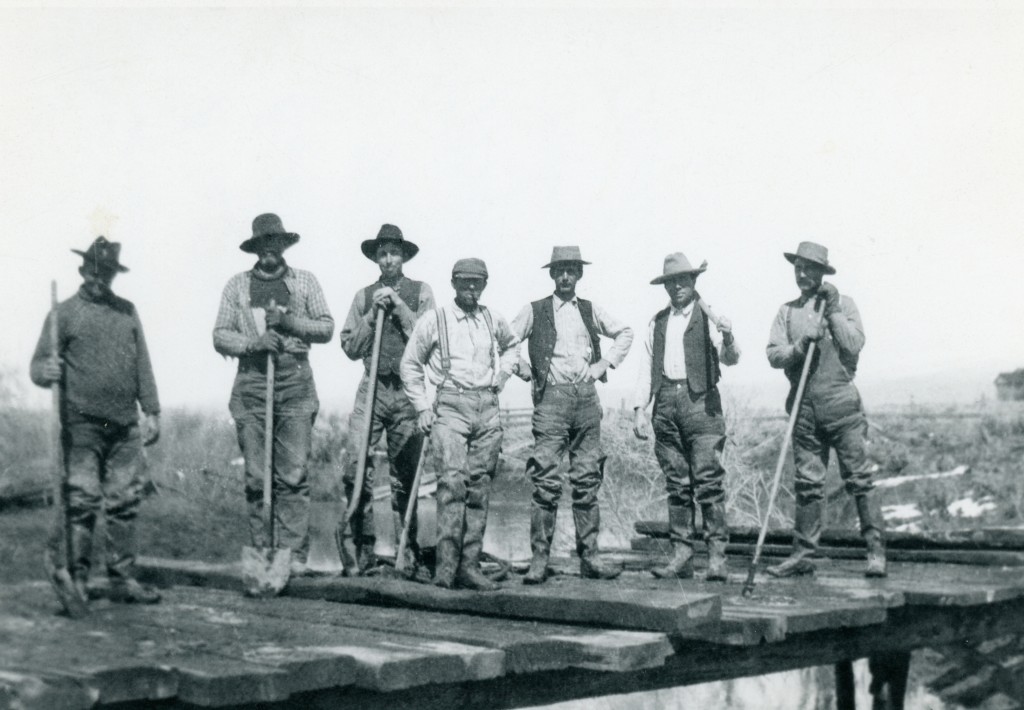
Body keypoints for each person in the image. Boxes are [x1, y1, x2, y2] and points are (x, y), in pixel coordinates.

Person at [30, 236, 162, 605]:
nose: (99, 278)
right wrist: (45, 370)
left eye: (106, 273)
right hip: (81, 427)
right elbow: (37, 366)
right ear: (83, 270)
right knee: (83, 500)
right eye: (94, 271)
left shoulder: (127, 312)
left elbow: (142, 363)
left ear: (113, 275)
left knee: (125, 501)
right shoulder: (63, 314)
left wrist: (151, 409)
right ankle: (78, 579)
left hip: (124, 426)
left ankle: (121, 578)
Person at [213, 213, 335, 576]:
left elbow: (326, 327)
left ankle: (293, 556)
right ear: (255, 248)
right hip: (252, 384)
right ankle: (263, 552)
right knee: (256, 477)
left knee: (293, 475)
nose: (269, 250)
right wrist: (254, 343)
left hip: (295, 382)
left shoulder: (305, 282)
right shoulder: (236, 286)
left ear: (283, 245)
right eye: (262, 244)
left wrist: (288, 323)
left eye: (275, 243)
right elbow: (220, 334)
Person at [509, 246, 633, 584]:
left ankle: (590, 557)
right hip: (551, 401)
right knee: (546, 481)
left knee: (587, 478)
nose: (565, 277)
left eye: (571, 271)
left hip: (586, 401)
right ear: (552, 274)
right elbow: (505, 340)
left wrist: (603, 364)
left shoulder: (590, 310)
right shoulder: (535, 310)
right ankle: (539, 559)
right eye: (560, 271)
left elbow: (625, 332)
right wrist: (524, 370)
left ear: (579, 275)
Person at [765, 241, 885, 578]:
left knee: (860, 479)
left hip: (843, 410)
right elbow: (773, 354)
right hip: (804, 411)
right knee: (807, 484)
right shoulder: (787, 312)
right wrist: (801, 344)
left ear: (822, 272)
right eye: (798, 268)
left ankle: (876, 552)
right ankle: (803, 555)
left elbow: (854, 344)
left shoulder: (844, 304)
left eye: (810, 268)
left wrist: (831, 311)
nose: (802, 274)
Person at [400, 258, 518, 590]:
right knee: (452, 484)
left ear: (485, 285)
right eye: (465, 282)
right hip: (450, 405)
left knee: (480, 486)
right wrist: (422, 407)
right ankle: (446, 569)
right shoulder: (435, 320)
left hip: (487, 407)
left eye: (477, 282)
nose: (471, 288)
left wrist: (503, 374)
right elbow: (410, 364)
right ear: (453, 283)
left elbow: (512, 346)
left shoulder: (493, 318)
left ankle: (469, 567)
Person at [632, 253, 740, 582]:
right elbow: (646, 368)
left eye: (683, 280)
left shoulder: (710, 317)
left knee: (708, 482)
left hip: (702, 405)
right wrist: (639, 409)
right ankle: (682, 555)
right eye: (671, 282)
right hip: (666, 404)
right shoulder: (657, 322)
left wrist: (729, 336)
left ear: (693, 281)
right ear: (665, 286)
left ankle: (717, 558)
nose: (677, 286)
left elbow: (730, 358)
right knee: (677, 484)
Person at [338, 224, 434, 575]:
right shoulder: (363, 296)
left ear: (403, 256)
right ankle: (362, 551)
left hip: (407, 391)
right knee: (356, 466)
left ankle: (407, 552)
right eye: (382, 254)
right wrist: (370, 316)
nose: (388, 259)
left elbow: (430, 340)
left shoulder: (421, 292)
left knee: (406, 475)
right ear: (376, 259)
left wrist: (399, 307)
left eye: (394, 253)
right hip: (372, 389)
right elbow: (350, 347)